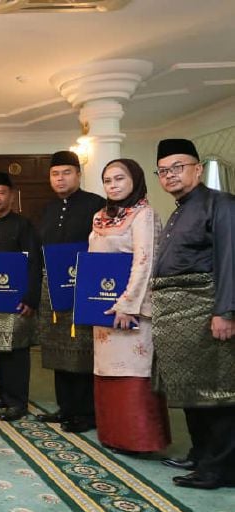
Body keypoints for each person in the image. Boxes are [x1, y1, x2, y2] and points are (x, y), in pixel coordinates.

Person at [151, 138, 234, 489]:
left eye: (178, 167)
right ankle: (201, 456)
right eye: (164, 170)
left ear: (197, 169)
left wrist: (226, 311)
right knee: (191, 390)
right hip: (178, 316)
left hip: (206, 311)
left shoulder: (221, 204)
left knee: (217, 392)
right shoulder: (180, 208)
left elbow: (231, 259)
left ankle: (220, 468)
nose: (170, 175)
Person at [89, 159, 170, 454]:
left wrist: (128, 304)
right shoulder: (99, 216)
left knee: (133, 373)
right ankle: (113, 436)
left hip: (131, 311)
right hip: (103, 309)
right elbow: (93, 263)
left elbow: (144, 262)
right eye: (108, 180)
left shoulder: (144, 215)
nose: (113, 185)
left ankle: (140, 439)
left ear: (135, 180)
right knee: (107, 372)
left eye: (119, 179)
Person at [37, 151, 105, 433]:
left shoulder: (97, 205)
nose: (60, 178)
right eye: (55, 174)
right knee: (57, 349)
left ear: (78, 174)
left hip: (84, 287)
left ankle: (86, 414)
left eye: (66, 172)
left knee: (83, 350)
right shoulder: (47, 210)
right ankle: (66, 408)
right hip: (53, 288)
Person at [0, 172, 41, 422]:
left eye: (1, 193)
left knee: (16, 351)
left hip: (16, 300)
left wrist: (31, 298)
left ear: (11, 196)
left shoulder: (23, 225)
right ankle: (3, 395)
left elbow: (34, 262)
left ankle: (17, 402)